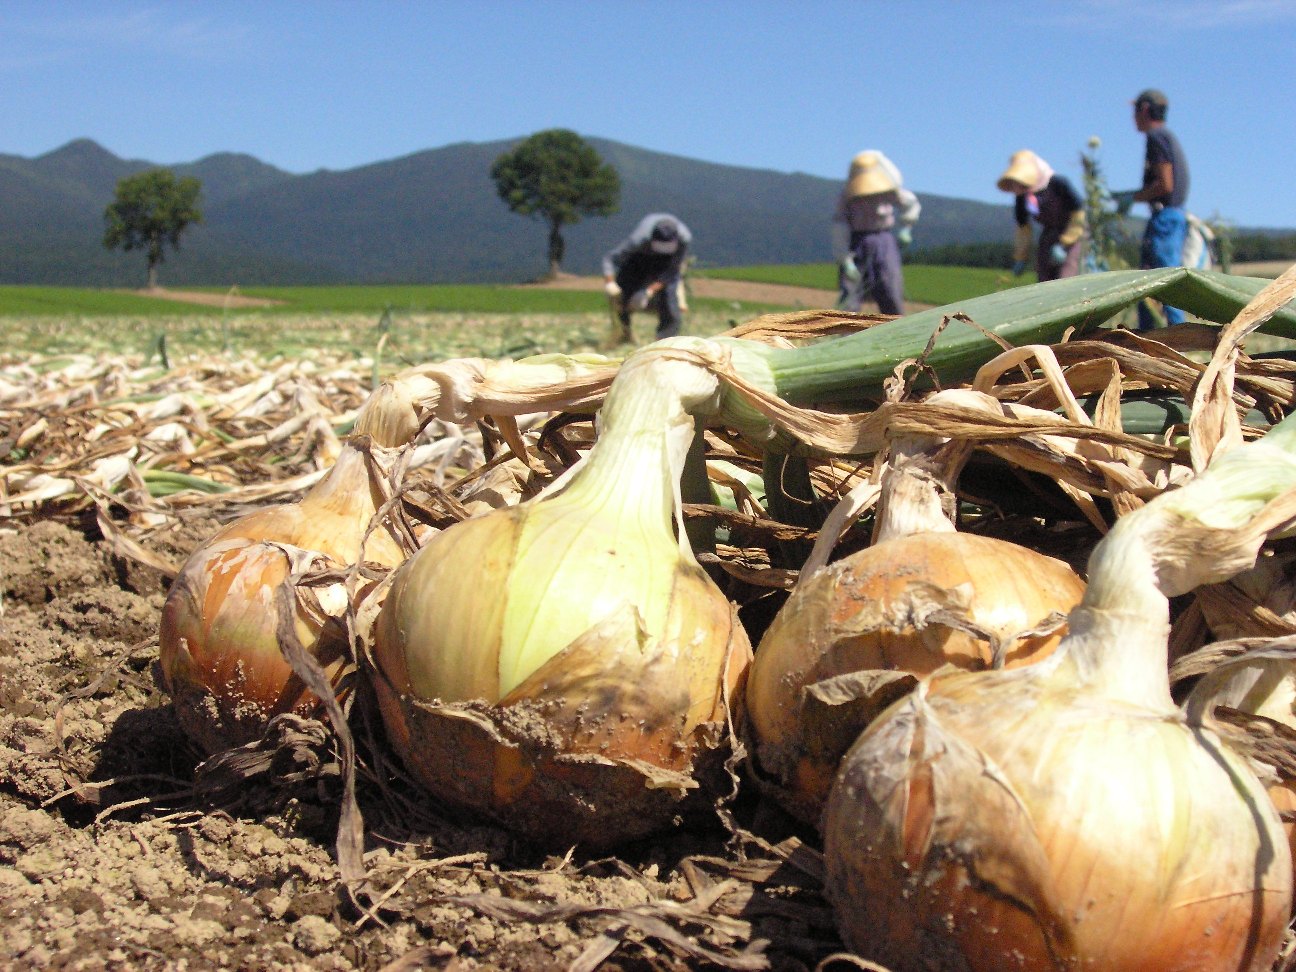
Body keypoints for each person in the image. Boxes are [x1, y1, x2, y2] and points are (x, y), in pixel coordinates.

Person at [1113, 88, 1191, 330]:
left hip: (1165, 218)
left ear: (1144, 110)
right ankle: (1148, 339)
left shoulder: (1156, 137)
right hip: (1171, 216)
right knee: (1148, 281)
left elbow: (1165, 185)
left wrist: (1132, 197)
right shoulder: (1166, 136)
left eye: (1135, 111)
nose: (1133, 118)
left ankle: (1179, 337)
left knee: (1165, 280)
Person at [831, 150, 920, 315]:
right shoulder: (847, 196)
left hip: (885, 241)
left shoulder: (888, 190)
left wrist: (906, 228)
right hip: (857, 243)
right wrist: (845, 260)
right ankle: (846, 332)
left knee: (890, 286)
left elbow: (910, 204)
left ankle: (896, 329)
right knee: (850, 293)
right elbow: (840, 227)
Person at [996, 150, 1086, 281]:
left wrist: (1065, 243)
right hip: (1049, 234)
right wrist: (1021, 257)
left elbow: (1078, 214)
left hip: (1074, 232)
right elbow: (1023, 229)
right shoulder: (1022, 199)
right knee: (1044, 275)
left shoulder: (1058, 184)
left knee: (1066, 275)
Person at [602, 213, 691, 341]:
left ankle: (665, 341)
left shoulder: (683, 240)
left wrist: (648, 291)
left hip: (667, 266)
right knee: (622, 295)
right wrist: (610, 282)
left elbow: (671, 271)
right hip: (638, 261)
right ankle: (624, 333)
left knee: (670, 303)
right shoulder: (638, 240)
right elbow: (610, 259)